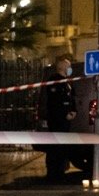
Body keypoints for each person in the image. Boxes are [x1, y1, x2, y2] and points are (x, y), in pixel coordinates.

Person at [39, 54, 78, 182]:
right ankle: (53, 172)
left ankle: (60, 171)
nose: (70, 69)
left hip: (66, 120)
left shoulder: (67, 83)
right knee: (55, 147)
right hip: (57, 120)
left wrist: (74, 111)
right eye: (69, 67)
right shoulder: (54, 81)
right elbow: (55, 103)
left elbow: (71, 99)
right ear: (62, 68)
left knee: (62, 147)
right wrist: (64, 114)